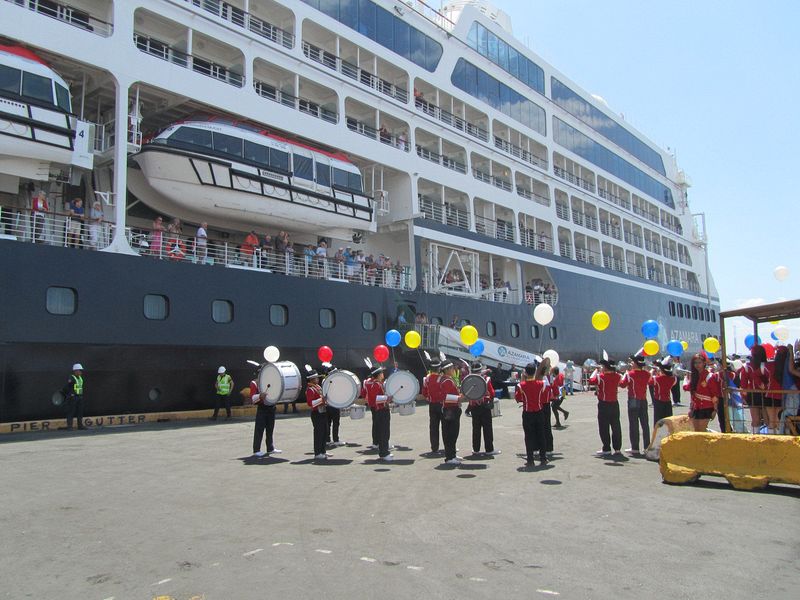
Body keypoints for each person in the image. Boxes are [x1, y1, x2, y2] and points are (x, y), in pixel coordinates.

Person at [515, 361, 550, 466]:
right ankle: (543, 458)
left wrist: (522, 379)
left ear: (525, 372)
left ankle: (530, 459)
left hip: (527, 413)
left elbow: (518, 398)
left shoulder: (521, 385)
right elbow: (544, 395)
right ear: (535, 372)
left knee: (528, 436)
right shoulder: (541, 384)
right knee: (541, 434)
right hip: (539, 411)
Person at [589, 358, 623, 456]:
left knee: (604, 427)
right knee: (616, 426)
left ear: (605, 367)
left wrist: (596, 370)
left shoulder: (601, 377)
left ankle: (606, 448)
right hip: (615, 403)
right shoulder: (618, 376)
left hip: (604, 404)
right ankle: (617, 448)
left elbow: (591, 381)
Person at [620, 354, 651, 456]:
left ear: (636, 364)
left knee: (634, 424)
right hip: (643, 399)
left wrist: (624, 374)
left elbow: (622, 385)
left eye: (633, 362)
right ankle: (647, 446)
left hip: (633, 399)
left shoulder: (630, 374)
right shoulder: (647, 374)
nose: (631, 363)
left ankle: (635, 448)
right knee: (645, 424)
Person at [467, 362, 499, 456]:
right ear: (480, 370)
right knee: (487, 428)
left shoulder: (468, 380)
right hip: (485, 406)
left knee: (476, 429)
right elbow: (492, 392)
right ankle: (489, 450)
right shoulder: (486, 379)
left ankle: (476, 449)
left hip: (473, 406)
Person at [362, 365, 393, 461]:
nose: (383, 374)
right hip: (381, 410)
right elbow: (376, 399)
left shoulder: (369, 383)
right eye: (382, 373)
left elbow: (366, 395)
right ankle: (384, 453)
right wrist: (387, 398)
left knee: (381, 431)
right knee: (384, 432)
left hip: (377, 410)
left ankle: (383, 450)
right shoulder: (376, 384)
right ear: (379, 374)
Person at [683, 353, 720, 432]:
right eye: (695, 363)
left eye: (699, 362)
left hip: (707, 407)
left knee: (701, 431)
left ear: (704, 363)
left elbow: (714, 394)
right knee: (696, 431)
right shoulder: (694, 376)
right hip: (696, 407)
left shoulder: (709, 376)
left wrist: (715, 410)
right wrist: (691, 408)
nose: (697, 365)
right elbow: (690, 391)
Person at [739, 345, 770, 433]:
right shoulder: (767, 365)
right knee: (768, 420)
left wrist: (744, 396)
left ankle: (755, 439)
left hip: (753, 395)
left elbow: (743, 384)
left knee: (756, 420)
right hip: (766, 393)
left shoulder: (747, 367)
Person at [251, 370, 281, 457]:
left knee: (270, 429)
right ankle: (256, 450)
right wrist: (259, 396)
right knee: (259, 429)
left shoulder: (271, 381)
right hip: (262, 408)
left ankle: (270, 448)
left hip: (271, 407)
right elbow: (252, 398)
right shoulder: (254, 383)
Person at [439, 361, 464, 465]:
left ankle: (452, 454)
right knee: (450, 434)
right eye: (453, 368)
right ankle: (450, 457)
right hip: (450, 410)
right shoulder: (447, 381)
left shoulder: (448, 380)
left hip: (452, 409)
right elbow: (445, 397)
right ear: (448, 370)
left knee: (452, 434)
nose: (454, 370)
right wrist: (459, 398)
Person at [305, 367, 329, 460]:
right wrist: (321, 400)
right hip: (316, 413)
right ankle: (317, 453)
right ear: (311, 379)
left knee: (324, 432)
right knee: (318, 433)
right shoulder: (310, 389)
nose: (318, 379)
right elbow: (310, 403)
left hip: (322, 412)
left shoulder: (317, 387)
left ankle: (323, 451)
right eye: (316, 378)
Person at [423, 357, 444, 454]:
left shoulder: (426, 378)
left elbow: (424, 393)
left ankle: (434, 447)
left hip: (432, 405)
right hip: (442, 405)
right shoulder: (442, 378)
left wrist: (429, 398)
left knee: (433, 427)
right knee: (445, 426)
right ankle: (448, 446)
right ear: (439, 368)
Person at [651, 358, 677, 426]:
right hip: (668, 402)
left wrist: (652, 372)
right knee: (668, 422)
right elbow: (674, 379)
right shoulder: (673, 379)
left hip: (658, 401)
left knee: (658, 422)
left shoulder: (657, 379)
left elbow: (649, 381)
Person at [61, 363, 86, 430]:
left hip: (80, 397)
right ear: (75, 371)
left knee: (80, 412)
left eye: (81, 370)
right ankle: (70, 426)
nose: (81, 372)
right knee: (71, 412)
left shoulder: (80, 378)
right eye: (79, 370)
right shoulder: (71, 378)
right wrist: (70, 394)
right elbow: (67, 387)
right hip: (73, 397)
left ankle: (80, 426)